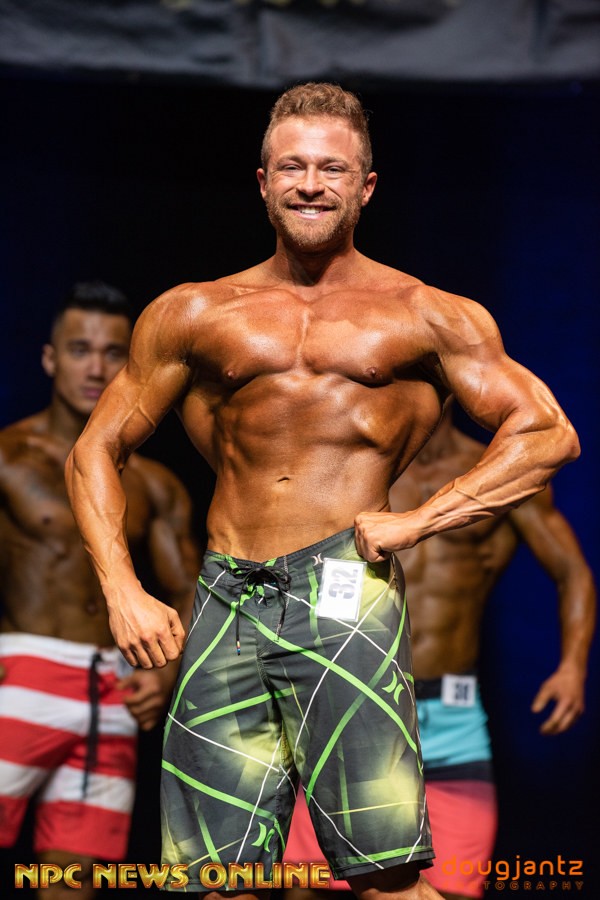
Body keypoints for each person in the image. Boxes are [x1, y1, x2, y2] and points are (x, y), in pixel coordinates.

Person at [64, 83, 580, 900]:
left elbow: (548, 432)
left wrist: (422, 518)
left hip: (345, 593)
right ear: (263, 181)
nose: (311, 184)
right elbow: (95, 448)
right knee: (210, 882)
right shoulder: (193, 311)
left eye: (332, 169)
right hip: (225, 597)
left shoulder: (427, 314)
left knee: (386, 879)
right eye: (293, 167)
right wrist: (122, 591)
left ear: (365, 186)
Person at [284, 399, 596, 900]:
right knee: (311, 884)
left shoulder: (501, 475)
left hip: (452, 717)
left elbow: (572, 572)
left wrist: (573, 667)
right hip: (355, 704)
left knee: (454, 886)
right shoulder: (354, 473)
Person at [0, 281, 199, 900]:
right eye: (79, 349)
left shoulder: (155, 485)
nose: (95, 367)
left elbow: (192, 587)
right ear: (49, 358)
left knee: (72, 881)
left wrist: (167, 675)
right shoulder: (7, 456)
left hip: (113, 692)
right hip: (18, 678)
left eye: (113, 353)